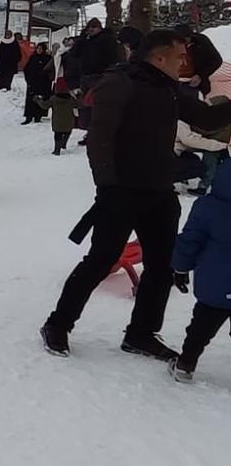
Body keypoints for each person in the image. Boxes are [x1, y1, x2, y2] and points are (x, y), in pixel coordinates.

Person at [41, 30, 231, 359]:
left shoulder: (169, 89)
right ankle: (58, 324)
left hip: (158, 191)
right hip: (121, 191)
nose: (184, 63)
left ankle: (141, 334)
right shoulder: (120, 83)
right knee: (100, 260)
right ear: (159, 58)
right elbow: (99, 140)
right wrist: (109, 187)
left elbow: (205, 119)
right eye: (178, 57)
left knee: (162, 266)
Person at [169, 160, 231, 383]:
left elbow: (189, 242)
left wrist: (180, 267)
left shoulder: (208, 207)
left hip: (215, 284)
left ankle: (185, 364)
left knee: (201, 327)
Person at [174, 24, 225, 96]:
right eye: (180, 41)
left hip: (197, 85)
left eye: (185, 39)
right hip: (174, 85)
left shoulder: (201, 42)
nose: (183, 43)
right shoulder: (168, 44)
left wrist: (200, 75)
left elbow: (216, 60)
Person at [33, 80, 81, 155]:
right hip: (69, 120)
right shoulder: (71, 99)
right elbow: (78, 104)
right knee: (67, 131)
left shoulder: (54, 99)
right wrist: (79, 96)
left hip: (57, 122)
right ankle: (63, 144)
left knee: (58, 134)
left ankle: (57, 150)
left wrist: (38, 100)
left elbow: (45, 106)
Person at [23, 42, 54, 124]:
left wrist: (47, 78)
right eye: (38, 48)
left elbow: (51, 70)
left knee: (41, 99)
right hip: (32, 82)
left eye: (41, 49)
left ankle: (38, 116)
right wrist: (28, 79)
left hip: (43, 83)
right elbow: (26, 69)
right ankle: (28, 117)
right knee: (30, 99)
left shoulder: (48, 58)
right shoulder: (33, 58)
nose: (39, 50)